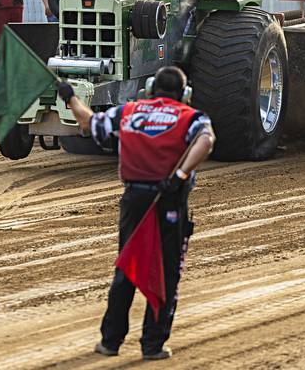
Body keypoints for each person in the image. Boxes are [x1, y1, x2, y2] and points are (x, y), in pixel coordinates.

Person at [59, 66, 215, 361]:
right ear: (185, 93)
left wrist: (70, 98)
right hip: (169, 201)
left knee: (127, 267)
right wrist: (180, 175)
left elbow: (89, 123)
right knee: (166, 273)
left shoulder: (128, 112)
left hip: (134, 201)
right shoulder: (191, 116)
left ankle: (110, 341)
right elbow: (206, 141)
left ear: (152, 89)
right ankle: (152, 345)